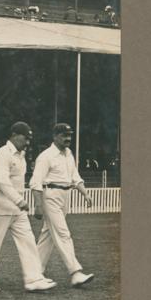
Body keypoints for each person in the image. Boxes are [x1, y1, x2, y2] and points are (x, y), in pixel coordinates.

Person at [0, 122, 57, 292]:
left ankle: (33, 279)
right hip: (0, 208)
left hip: (17, 210)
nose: (27, 142)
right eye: (25, 138)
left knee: (28, 242)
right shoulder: (2, 155)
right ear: (13, 135)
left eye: (29, 139)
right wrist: (19, 201)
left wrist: (19, 204)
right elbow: (2, 182)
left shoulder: (20, 156)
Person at [29, 123, 96, 287]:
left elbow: (75, 177)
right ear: (55, 136)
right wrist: (37, 205)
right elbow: (35, 182)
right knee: (62, 233)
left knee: (49, 235)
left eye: (70, 135)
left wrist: (85, 193)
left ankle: (34, 272)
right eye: (64, 135)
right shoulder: (46, 156)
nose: (68, 139)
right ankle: (75, 273)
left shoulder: (69, 154)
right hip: (50, 195)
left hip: (65, 196)